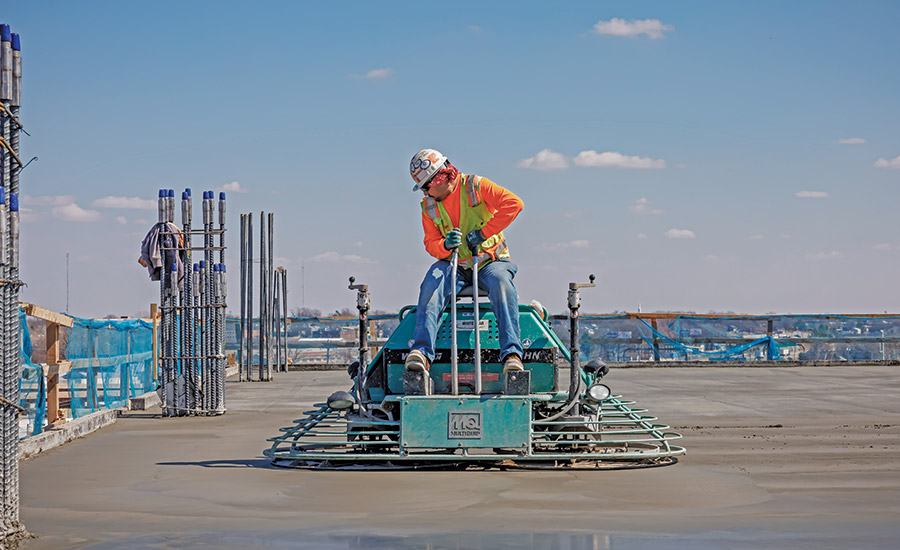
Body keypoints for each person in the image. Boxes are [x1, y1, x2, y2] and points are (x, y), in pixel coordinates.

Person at [405, 148, 525, 376]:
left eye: (425, 187)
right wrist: (445, 246)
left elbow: (514, 203)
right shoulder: (429, 205)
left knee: (501, 282)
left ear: (440, 178)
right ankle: (421, 353)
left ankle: (512, 354)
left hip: (490, 262)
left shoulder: (476, 186)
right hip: (455, 265)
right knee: (433, 281)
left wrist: (483, 233)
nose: (424, 193)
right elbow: (430, 243)